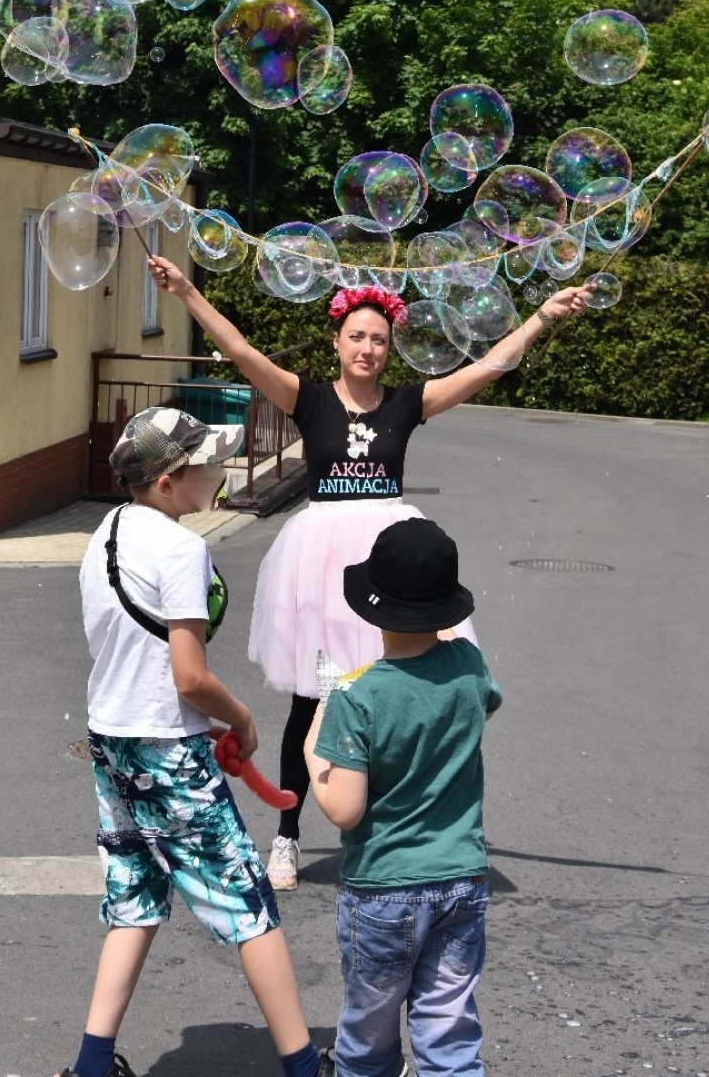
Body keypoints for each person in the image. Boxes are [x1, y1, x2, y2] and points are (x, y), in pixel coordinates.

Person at [150, 253, 584, 890]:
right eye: (357, 336)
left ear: (391, 348)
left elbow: (487, 367)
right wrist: (186, 290)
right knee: (313, 698)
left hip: (389, 554)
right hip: (319, 562)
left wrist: (542, 317)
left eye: (379, 340)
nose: (369, 348)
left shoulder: (408, 404)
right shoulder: (309, 398)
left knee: (401, 688)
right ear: (338, 340)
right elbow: (240, 351)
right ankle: (288, 837)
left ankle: (385, 827)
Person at [59, 406, 329, 1077]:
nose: (218, 470)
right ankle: (304, 1067)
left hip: (114, 740)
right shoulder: (181, 549)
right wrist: (239, 719)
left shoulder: (108, 531)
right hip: (165, 751)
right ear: (168, 482)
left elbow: (136, 661)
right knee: (247, 901)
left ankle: (92, 1067)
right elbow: (189, 675)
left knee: (135, 894)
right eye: (205, 462)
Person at [304, 516, 502, 1077]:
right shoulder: (469, 664)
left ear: (374, 606)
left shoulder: (356, 696)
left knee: (368, 1035)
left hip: (384, 893)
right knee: (448, 1026)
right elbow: (485, 703)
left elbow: (344, 808)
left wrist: (315, 754)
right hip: (461, 879)